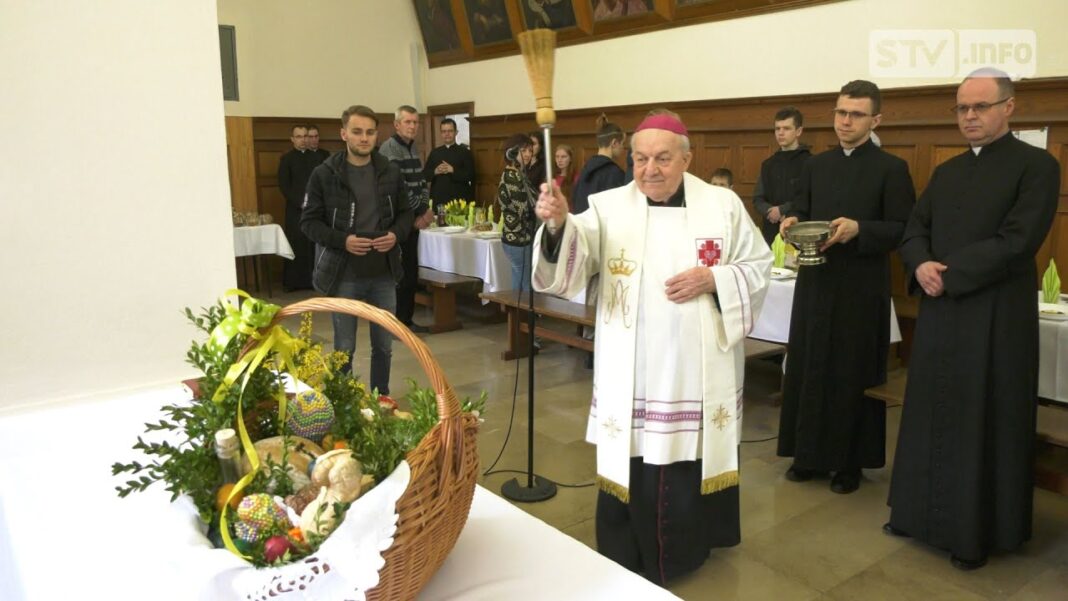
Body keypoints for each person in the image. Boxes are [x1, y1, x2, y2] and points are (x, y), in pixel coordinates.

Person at [531, 110, 772, 584]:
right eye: (640, 158)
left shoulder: (721, 205)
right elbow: (573, 260)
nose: (649, 170)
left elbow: (758, 264)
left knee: (688, 461)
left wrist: (714, 277)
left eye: (662, 158)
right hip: (634, 368)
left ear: (687, 158)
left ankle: (684, 553)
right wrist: (559, 224)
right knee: (635, 455)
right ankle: (626, 549)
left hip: (695, 369)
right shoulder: (608, 206)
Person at [886, 69, 1060, 571]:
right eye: (962, 108)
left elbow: (1018, 240)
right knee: (929, 412)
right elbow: (915, 228)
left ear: (1010, 107)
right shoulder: (946, 171)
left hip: (995, 317)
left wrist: (948, 273)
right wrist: (920, 264)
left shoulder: (1037, 167)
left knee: (984, 417)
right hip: (942, 313)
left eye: (980, 107)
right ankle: (916, 516)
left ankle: (976, 532)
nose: (970, 116)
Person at [776, 80, 915, 494]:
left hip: (860, 287)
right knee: (808, 364)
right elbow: (801, 208)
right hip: (816, 281)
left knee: (849, 372)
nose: (845, 121)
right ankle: (806, 454)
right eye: (840, 112)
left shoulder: (891, 168)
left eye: (855, 114)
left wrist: (861, 228)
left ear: (876, 119)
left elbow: (904, 228)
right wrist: (790, 222)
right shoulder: (815, 165)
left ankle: (848, 463)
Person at [300, 105, 413, 396]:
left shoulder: (390, 171)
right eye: (357, 132)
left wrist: (394, 235)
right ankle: (344, 402)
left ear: (377, 135)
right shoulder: (324, 174)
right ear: (343, 134)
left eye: (370, 132)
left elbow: (405, 215)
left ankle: (381, 399)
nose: (364, 138)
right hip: (344, 271)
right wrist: (343, 240)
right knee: (344, 348)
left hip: (383, 271)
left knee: (384, 345)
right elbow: (309, 223)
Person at [378, 105, 434, 333]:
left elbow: (421, 183)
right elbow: (397, 189)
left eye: (415, 122)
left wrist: (424, 211)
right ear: (397, 124)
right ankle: (395, 324)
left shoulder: (413, 149)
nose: (412, 126)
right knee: (399, 275)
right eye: (408, 122)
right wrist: (416, 214)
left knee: (411, 273)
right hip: (397, 222)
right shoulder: (390, 150)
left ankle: (406, 321)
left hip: (413, 219)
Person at [752, 106, 811, 244]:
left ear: (799, 131)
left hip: (799, 229)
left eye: (786, 128)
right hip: (771, 229)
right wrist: (770, 211)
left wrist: (782, 210)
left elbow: (810, 197)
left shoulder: (810, 162)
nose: (781, 133)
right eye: (777, 129)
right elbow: (757, 198)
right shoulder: (768, 164)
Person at [277, 124, 317, 291]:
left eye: (304, 136)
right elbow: (284, 185)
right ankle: (293, 282)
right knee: (296, 242)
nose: (302, 140)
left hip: (314, 209)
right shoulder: (287, 159)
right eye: (299, 136)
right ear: (292, 139)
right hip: (296, 210)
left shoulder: (315, 158)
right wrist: (300, 203)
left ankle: (312, 281)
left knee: (312, 244)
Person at [498, 133, 538, 293]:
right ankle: (519, 315)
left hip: (523, 235)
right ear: (513, 152)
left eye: (530, 150)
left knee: (523, 278)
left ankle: (520, 315)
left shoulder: (519, 174)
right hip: (515, 236)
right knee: (523, 280)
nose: (528, 154)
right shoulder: (511, 176)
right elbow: (525, 207)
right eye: (523, 150)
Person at [571, 118, 626, 214]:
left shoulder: (584, 170)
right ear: (614, 143)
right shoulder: (615, 173)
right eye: (622, 144)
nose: (623, 148)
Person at [424, 117, 475, 210]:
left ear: (456, 132)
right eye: (444, 131)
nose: (447, 134)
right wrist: (435, 171)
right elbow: (425, 175)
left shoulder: (465, 152)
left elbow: (471, 175)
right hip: (438, 199)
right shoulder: (435, 153)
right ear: (441, 133)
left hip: (459, 200)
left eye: (450, 131)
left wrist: (453, 170)